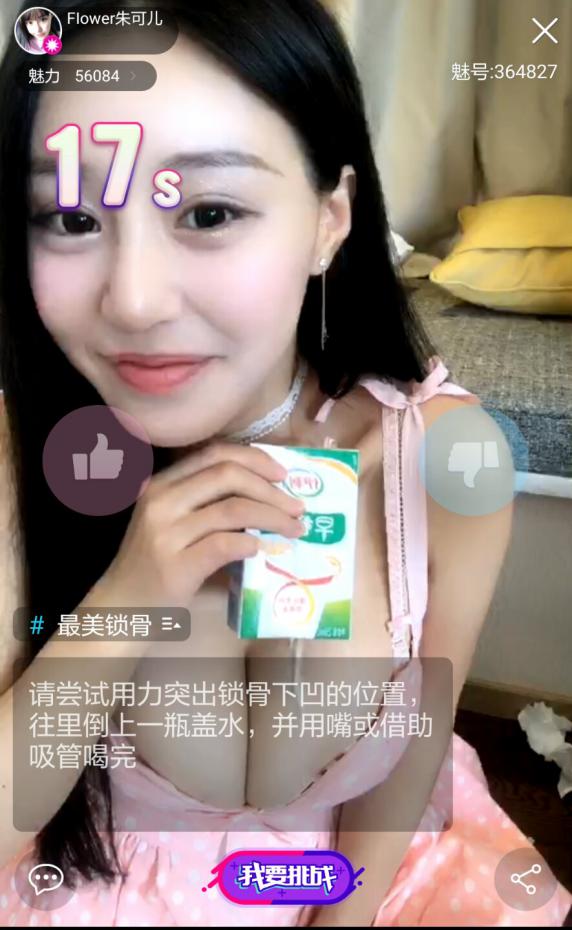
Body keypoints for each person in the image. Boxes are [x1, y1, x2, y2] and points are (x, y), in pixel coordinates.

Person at [0, 0, 570, 925]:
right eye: (69, 215)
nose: (134, 302)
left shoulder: (442, 462)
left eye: (210, 210)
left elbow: (418, 735)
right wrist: (125, 598)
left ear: (329, 220)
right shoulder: (15, 460)